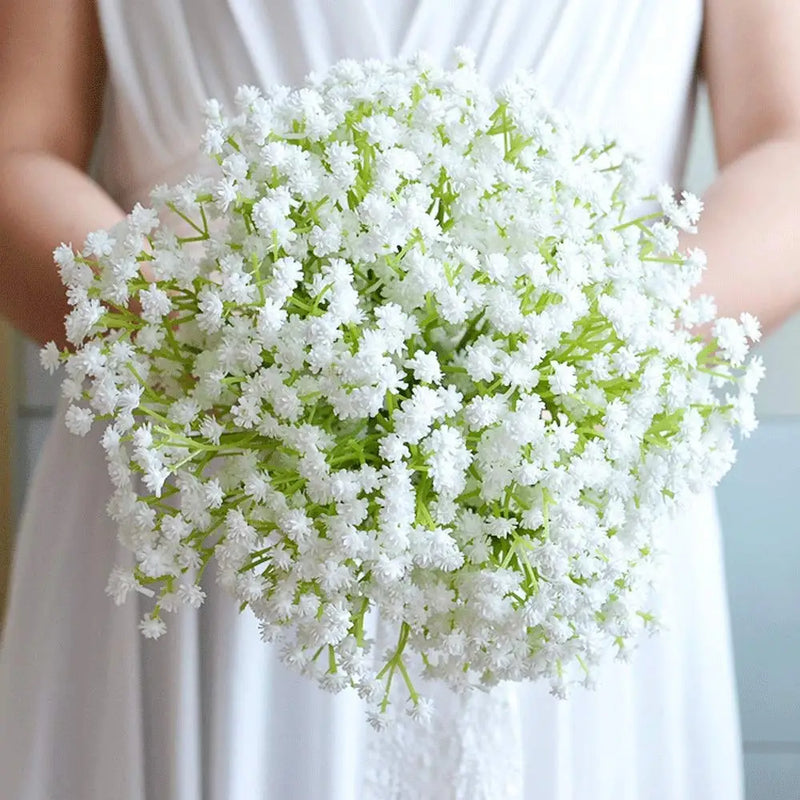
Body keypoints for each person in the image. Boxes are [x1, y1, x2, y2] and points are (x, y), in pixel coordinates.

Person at [1, 1, 799, 798]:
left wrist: (599, 367)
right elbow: (17, 146)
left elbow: (786, 145)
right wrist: (211, 349)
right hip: (206, 484)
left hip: (569, 501)